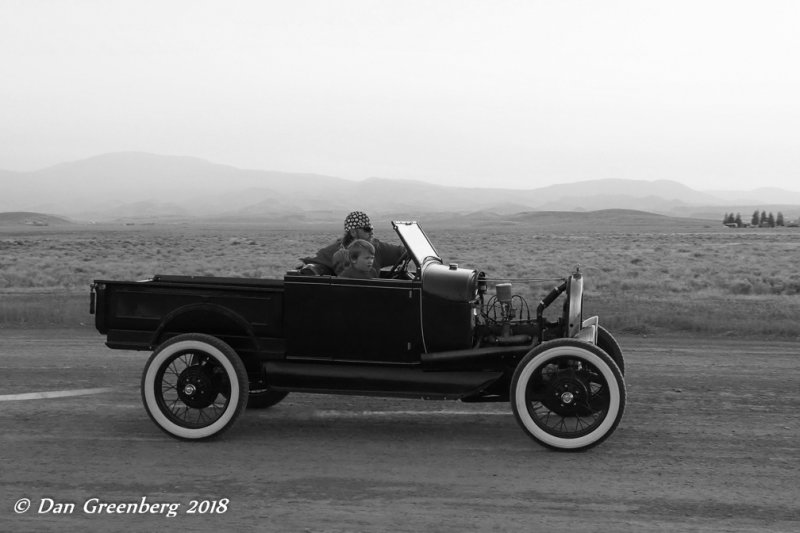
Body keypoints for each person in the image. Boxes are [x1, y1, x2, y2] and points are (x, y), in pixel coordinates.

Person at [299, 211, 405, 275]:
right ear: (353, 232)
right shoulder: (336, 250)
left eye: (372, 228)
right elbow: (312, 262)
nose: (371, 232)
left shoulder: (378, 247)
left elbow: (403, 252)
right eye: (367, 229)